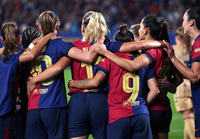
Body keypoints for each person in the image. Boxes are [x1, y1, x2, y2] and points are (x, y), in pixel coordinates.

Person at [27, 11, 165, 139]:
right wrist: (160, 42)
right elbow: (140, 46)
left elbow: (57, 67)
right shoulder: (107, 45)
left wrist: (36, 79)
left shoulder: (72, 47)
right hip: (101, 101)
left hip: (78, 101)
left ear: (82, 28)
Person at [92, 15, 183, 139]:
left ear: (145, 30)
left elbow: (133, 66)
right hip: (164, 107)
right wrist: (169, 85)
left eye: (140, 27)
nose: (139, 30)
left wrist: (106, 53)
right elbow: (178, 80)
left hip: (150, 107)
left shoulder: (151, 52)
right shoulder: (165, 51)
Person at [68, 24, 160, 139]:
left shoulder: (109, 60)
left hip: (118, 115)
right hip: (141, 114)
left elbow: (95, 82)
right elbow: (155, 90)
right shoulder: (144, 63)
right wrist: (142, 105)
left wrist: (72, 83)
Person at [0, 22, 58, 139]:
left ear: (1, 39)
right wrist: (45, 38)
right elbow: (31, 55)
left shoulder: (12, 58)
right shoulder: (16, 59)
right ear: (19, 38)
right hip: (6, 112)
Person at [164, 6, 200, 139]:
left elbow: (195, 77)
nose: (182, 22)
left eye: (184, 19)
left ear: (191, 22)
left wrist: (173, 58)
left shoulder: (198, 43)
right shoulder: (195, 43)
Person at [15, 27, 41, 139]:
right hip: (38, 104)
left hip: (18, 105)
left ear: (21, 41)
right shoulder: (42, 59)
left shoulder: (15, 58)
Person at [173, 26, 195, 139]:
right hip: (194, 84)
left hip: (181, 85)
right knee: (190, 115)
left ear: (177, 37)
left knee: (187, 115)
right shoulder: (194, 47)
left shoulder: (174, 49)